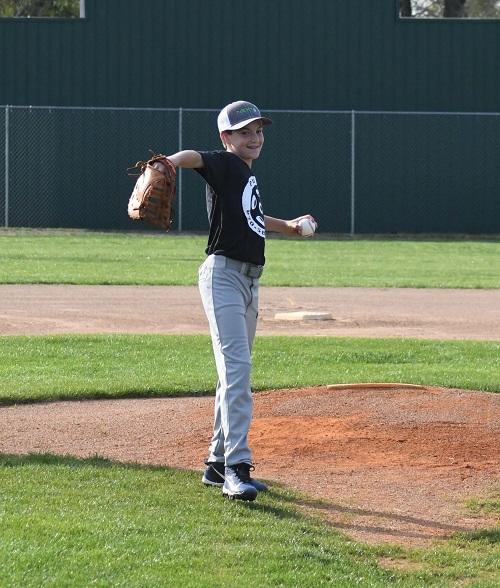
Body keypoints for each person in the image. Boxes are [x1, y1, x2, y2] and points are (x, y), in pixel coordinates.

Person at [166, 100, 316, 501]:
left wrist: (290, 227)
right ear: (226, 138)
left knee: (231, 374)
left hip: (249, 283)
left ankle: (216, 464)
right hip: (224, 278)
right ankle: (238, 467)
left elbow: (254, 216)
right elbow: (194, 158)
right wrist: (165, 162)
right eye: (245, 132)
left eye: (259, 131)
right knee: (239, 372)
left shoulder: (244, 177)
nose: (254, 138)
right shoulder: (226, 163)